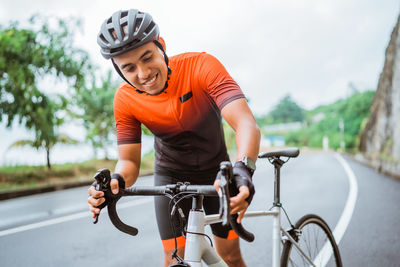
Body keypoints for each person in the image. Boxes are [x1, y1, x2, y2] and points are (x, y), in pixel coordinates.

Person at [87, 9, 260, 267]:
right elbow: (130, 163)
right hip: (170, 176)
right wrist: (115, 180)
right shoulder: (124, 99)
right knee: (172, 259)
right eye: (129, 68)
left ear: (161, 46)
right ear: (118, 69)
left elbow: (245, 123)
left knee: (230, 257)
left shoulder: (200, 66)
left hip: (217, 174)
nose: (143, 73)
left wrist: (243, 167)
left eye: (147, 57)